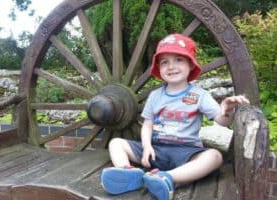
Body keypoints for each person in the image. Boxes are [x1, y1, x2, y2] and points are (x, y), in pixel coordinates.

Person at [100, 33, 250, 200]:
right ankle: (127, 173)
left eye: (179, 59)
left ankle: (167, 177)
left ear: (191, 65)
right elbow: (148, 124)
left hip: (185, 152)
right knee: (116, 143)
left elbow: (222, 121)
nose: (171, 66)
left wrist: (227, 109)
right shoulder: (156, 95)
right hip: (155, 150)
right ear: (159, 68)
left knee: (214, 157)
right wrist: (147, 146)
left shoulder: (200, 95)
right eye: (165, 62)